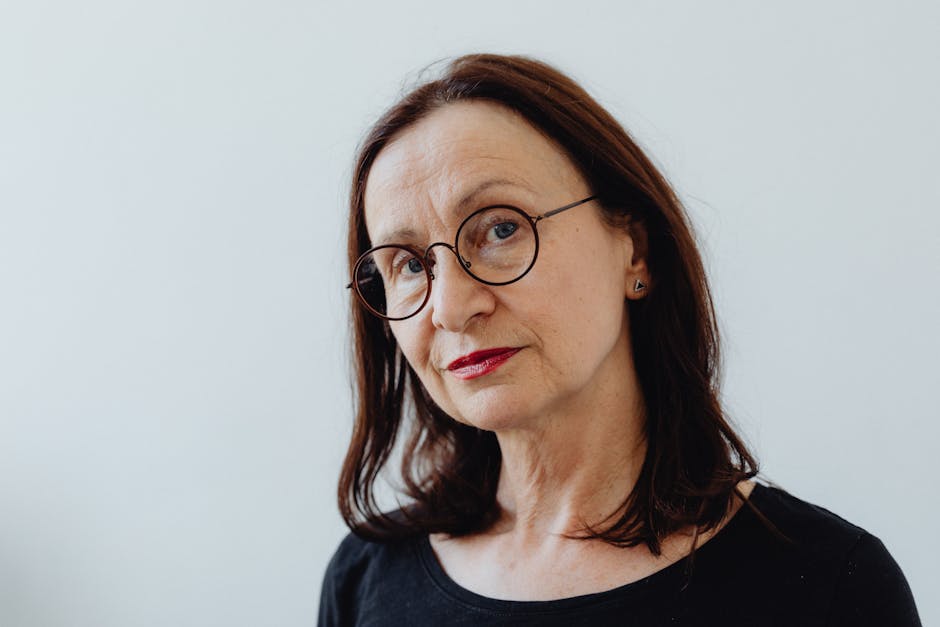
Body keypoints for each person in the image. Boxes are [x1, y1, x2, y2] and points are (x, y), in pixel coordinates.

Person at [318, 54, 920, 626]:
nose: (450, 307)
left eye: (501, 229)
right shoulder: (366, 578)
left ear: (633, 248)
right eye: (409, 266)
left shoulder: (828, 587)